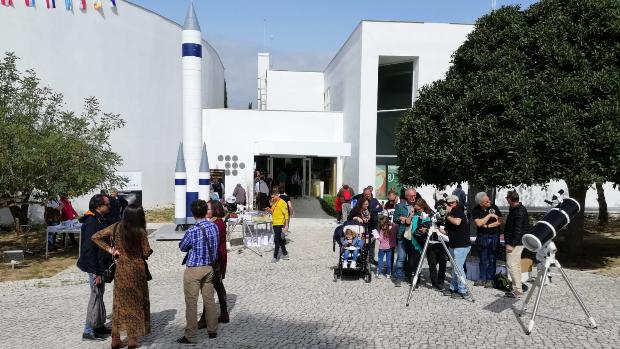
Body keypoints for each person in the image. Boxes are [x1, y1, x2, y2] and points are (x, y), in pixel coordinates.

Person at [92, 204, 153, 349]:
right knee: (136, 302)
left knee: (119, 303)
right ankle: (132, 339)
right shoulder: (140, 231)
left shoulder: (115, 227)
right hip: (137, 269)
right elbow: (146, 251)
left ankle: (115, 339)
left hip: (121, 268)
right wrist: (149, 251)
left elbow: (95, 237)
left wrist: (110, 250)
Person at [177, 200, 219, 344]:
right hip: (209, 267)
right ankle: (212, 330)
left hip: (194, 269)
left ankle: (190, 335)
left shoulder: (192, 231)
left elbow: (182, 247)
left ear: (193, 213)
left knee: (191, 302)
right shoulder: (214, 226)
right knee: (209, 300)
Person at [76, 194, 112, 341]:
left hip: (100, 265)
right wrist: (95, 272)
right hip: (94, 267)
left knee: (99, 294)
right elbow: (89, 250)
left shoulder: (99, 219)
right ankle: (88, 329)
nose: (109, 206)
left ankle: (98, 325)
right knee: (95, 296)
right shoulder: (91, 222)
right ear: (98, 206)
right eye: (107, 204)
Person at [198, 200, 229, 326]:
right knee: (218, 285)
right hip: (218, 257)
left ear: (215, 210)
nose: (206, 210)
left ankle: (205, 319)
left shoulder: (216, 224)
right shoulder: (216, 222)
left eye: (208, 208)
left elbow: (212, 244)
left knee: (208, 286)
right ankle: (224, 313)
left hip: (216, 258)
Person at [441, 195, 471, 300]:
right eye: (448, 204)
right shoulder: (451, 214)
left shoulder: (457, 210)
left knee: (458, 268)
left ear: (456, 203)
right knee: (455, 268)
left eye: (451, 203)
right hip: (454, 244)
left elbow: (457, 222)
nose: (449, 205)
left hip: (461, 245)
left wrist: (447, 216)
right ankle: (453, 288)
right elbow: (447, 231)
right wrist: (436, 228)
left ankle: (463, 290)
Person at [472, 192, 503, 288]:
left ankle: (490, 279)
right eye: (487, 201)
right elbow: (479, 223)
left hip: (494, 236)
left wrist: (488, 225)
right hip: (482, 237)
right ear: (481, 203)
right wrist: (489, 216)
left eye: (489, 199)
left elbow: (500, 221)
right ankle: (482, 278)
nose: (490, 201)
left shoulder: (494, 207)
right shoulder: (476, 210)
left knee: (492, 259)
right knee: (482, 259)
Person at [504, 190, 529, 298]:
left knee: (511, 265)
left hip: (515, 243)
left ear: (510, 199)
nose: (506, 200)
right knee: (516, 265)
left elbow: (518, 231)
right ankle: (517, 287)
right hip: (516, 242)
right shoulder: (515, 209)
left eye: (507, 198)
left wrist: (511, 244)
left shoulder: (519, 211)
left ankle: (518, 290)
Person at [392, 188, 417, 287]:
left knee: (412, 259)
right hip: (403, 235)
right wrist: (402, 219)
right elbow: (395, 219)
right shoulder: (400, 206)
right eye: (411, 196)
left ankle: (410, 277)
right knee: (401, 257)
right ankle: (398, 277)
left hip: (415, 236)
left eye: (414, 195)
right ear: (406, 196)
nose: (413, 197)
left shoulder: (418, 205)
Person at [267, 190, 289, 262]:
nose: (272, 199)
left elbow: (286, 214)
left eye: (273, 197)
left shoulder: (282, 202)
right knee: (279, 240)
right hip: (274, 223)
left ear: (277, 195)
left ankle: (275, 257)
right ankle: (285, 254)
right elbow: (272, 211)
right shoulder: (274, 202)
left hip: (279, 224)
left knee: (276, 240)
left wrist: (286, 226)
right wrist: (269, 210)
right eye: (272, 197)